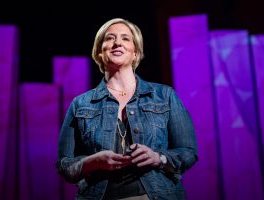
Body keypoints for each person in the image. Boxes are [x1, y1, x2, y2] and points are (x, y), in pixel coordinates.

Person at [56, 18, 198, 200]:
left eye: (125, 38)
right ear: (100, 52)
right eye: (110, 38)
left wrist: (158, 158)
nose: (117, 43)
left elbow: (187, 151)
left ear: (135, 53)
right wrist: (93, 162)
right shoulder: (80, 104)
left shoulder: (165, 95)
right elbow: (64, 165)